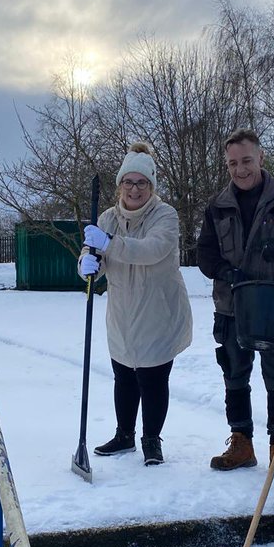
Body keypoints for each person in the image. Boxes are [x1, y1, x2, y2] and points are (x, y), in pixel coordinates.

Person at [196, 128, 274, 476]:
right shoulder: (217, 206)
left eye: (247, 160)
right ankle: (241, 442)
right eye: (233, 163)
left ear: (261, 158)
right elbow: (205, 253)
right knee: (234, 374)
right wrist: (225, 271)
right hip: (232, 305)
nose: (241, 169)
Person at [80, 142, 192, 466]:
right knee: (124, 376)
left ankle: (151, 440)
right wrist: (87, 264)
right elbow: (94, 255)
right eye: (128, 182)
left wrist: (109, 244)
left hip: (159, 313)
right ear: (120, 185)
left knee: (153, 379)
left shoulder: (165, 216)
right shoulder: (107, 218)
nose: (134, 189)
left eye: (142, 182)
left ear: (151, 185)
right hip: (122, 313)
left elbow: (151, 250)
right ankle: (124, 435)